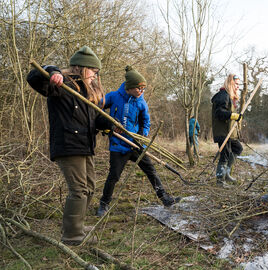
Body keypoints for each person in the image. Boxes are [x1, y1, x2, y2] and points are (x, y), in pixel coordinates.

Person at [27, 46, 111, 245]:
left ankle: (77, 225)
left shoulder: (87, 91)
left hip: (84, 145)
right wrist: (52, 71)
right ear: (83, 68)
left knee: (89, 187)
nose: (95, 76)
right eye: (94, 71)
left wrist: (110, 126)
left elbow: (94, 120)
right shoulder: (62, 85)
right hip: (68, 145)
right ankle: (72, 235)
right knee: (79, 190)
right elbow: (34, 77)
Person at [96, 66, 180, 217]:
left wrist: (142, 136)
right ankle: (104, 204)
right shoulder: (113, 97)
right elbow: (96, 110)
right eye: (139, 88)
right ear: (130, 87)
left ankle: (165, 198)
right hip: (118, 145)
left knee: (151, 171)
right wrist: (109, 124)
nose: (142, 92)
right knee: (114, 176)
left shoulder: (141, 102)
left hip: (136, 145)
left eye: (144, 89)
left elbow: (145, 123)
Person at [211, 74, 243, 187]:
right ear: (230, 83)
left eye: (239, 84)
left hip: (229, 132)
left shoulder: (229, 97)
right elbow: (219, 113)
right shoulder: (223, 95)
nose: (238, 87)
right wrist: (233, 115)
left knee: (238, 148)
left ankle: (227, 174)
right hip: (222, 132)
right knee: (224, 155)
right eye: (236, 84)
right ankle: (220, 181)